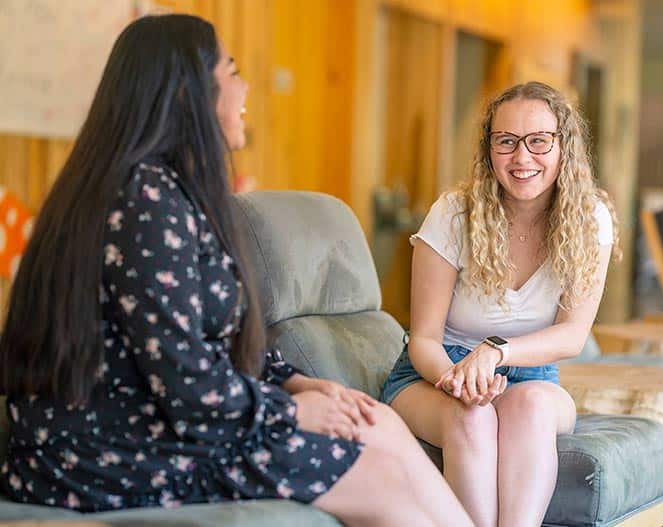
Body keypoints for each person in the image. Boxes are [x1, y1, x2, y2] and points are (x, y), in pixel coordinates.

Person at [0, 15, 473, 527]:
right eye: (232, 70)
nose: (245, 85)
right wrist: (291, 413)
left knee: (378, 423)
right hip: (101, 449)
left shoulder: (171, 193)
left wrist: (300, 386)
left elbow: (217, 345)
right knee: (378, 474)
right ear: (189, 93)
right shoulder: (142, 200)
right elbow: (186, 379)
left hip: (160, 424)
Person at [380, 81, 621, 526]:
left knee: (529, 408)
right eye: (506, 141)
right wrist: (459, 380)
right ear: (489, 149)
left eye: (539, 141)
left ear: (563, 145)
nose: (522, 157)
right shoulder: (454, 213)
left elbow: (572, 335)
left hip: (532, 376)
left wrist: (496, 353)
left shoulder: (590, 219)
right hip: (435, 375)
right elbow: (424, 339)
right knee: (472, 418)